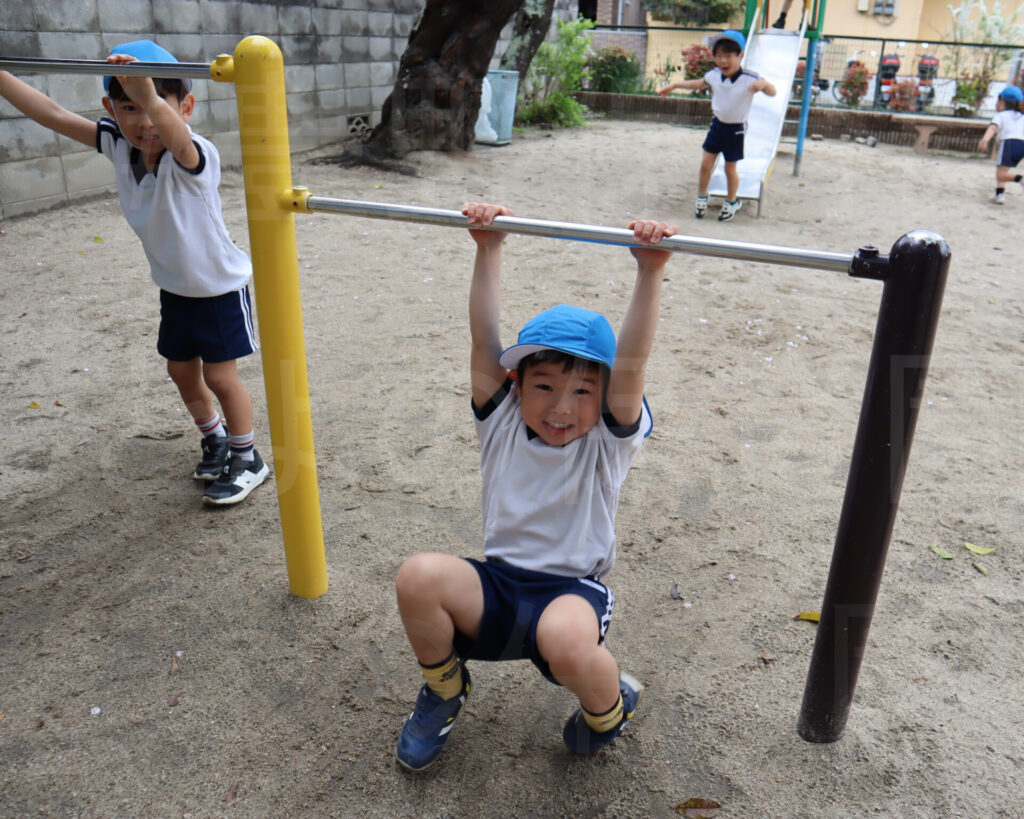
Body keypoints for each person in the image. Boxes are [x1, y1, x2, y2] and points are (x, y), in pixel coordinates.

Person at [392, 203, 676, 771]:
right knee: (417, 577)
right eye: (544, 387)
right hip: (498, 587)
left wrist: (649, 272)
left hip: (570, 594)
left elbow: (632, 364)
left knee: (570, 645)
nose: (561, 408)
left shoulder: (606, 444)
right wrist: (488, 248)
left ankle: (607, 709)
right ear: (517, 385)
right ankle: (445, 690)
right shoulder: (500, 420)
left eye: (582, 392)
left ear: (606, 396)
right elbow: (484, 339)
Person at [0, 40, 269, 506]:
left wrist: (146, 96)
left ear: (185, 107)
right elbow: (51, 113)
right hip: (175, 289)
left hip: (218, 289)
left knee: (221, 378)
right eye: (129, 108)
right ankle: (216, 438)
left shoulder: (192, 155)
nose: (144, 122)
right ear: (111, 110)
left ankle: (247, 458)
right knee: (180, 370)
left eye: (155, 104)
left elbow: (177, 139)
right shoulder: (118, 146)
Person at [657, 30, 776, 222]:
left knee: (730, 168)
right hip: (717, 126)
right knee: (706, 164)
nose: (723, 61)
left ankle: (731, 201)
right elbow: (698, 84)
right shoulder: (713, 75)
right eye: (719, 56)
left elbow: (773, 92)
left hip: (735, 130)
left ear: (740, 56)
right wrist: (674, 86)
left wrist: (763, 84)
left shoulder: (749, 77)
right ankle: (702, 196)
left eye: (728, 56)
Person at [978, 85, 1024, 205]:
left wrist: (985, 140)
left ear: (1002, 101)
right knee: (1003, 170)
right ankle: (999, 194)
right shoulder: (1021, 116)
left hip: (1009, 144)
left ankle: (1020, 179)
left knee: (1001, 175)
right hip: (1021, 145)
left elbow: (993, 127)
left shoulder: (1001, 115)